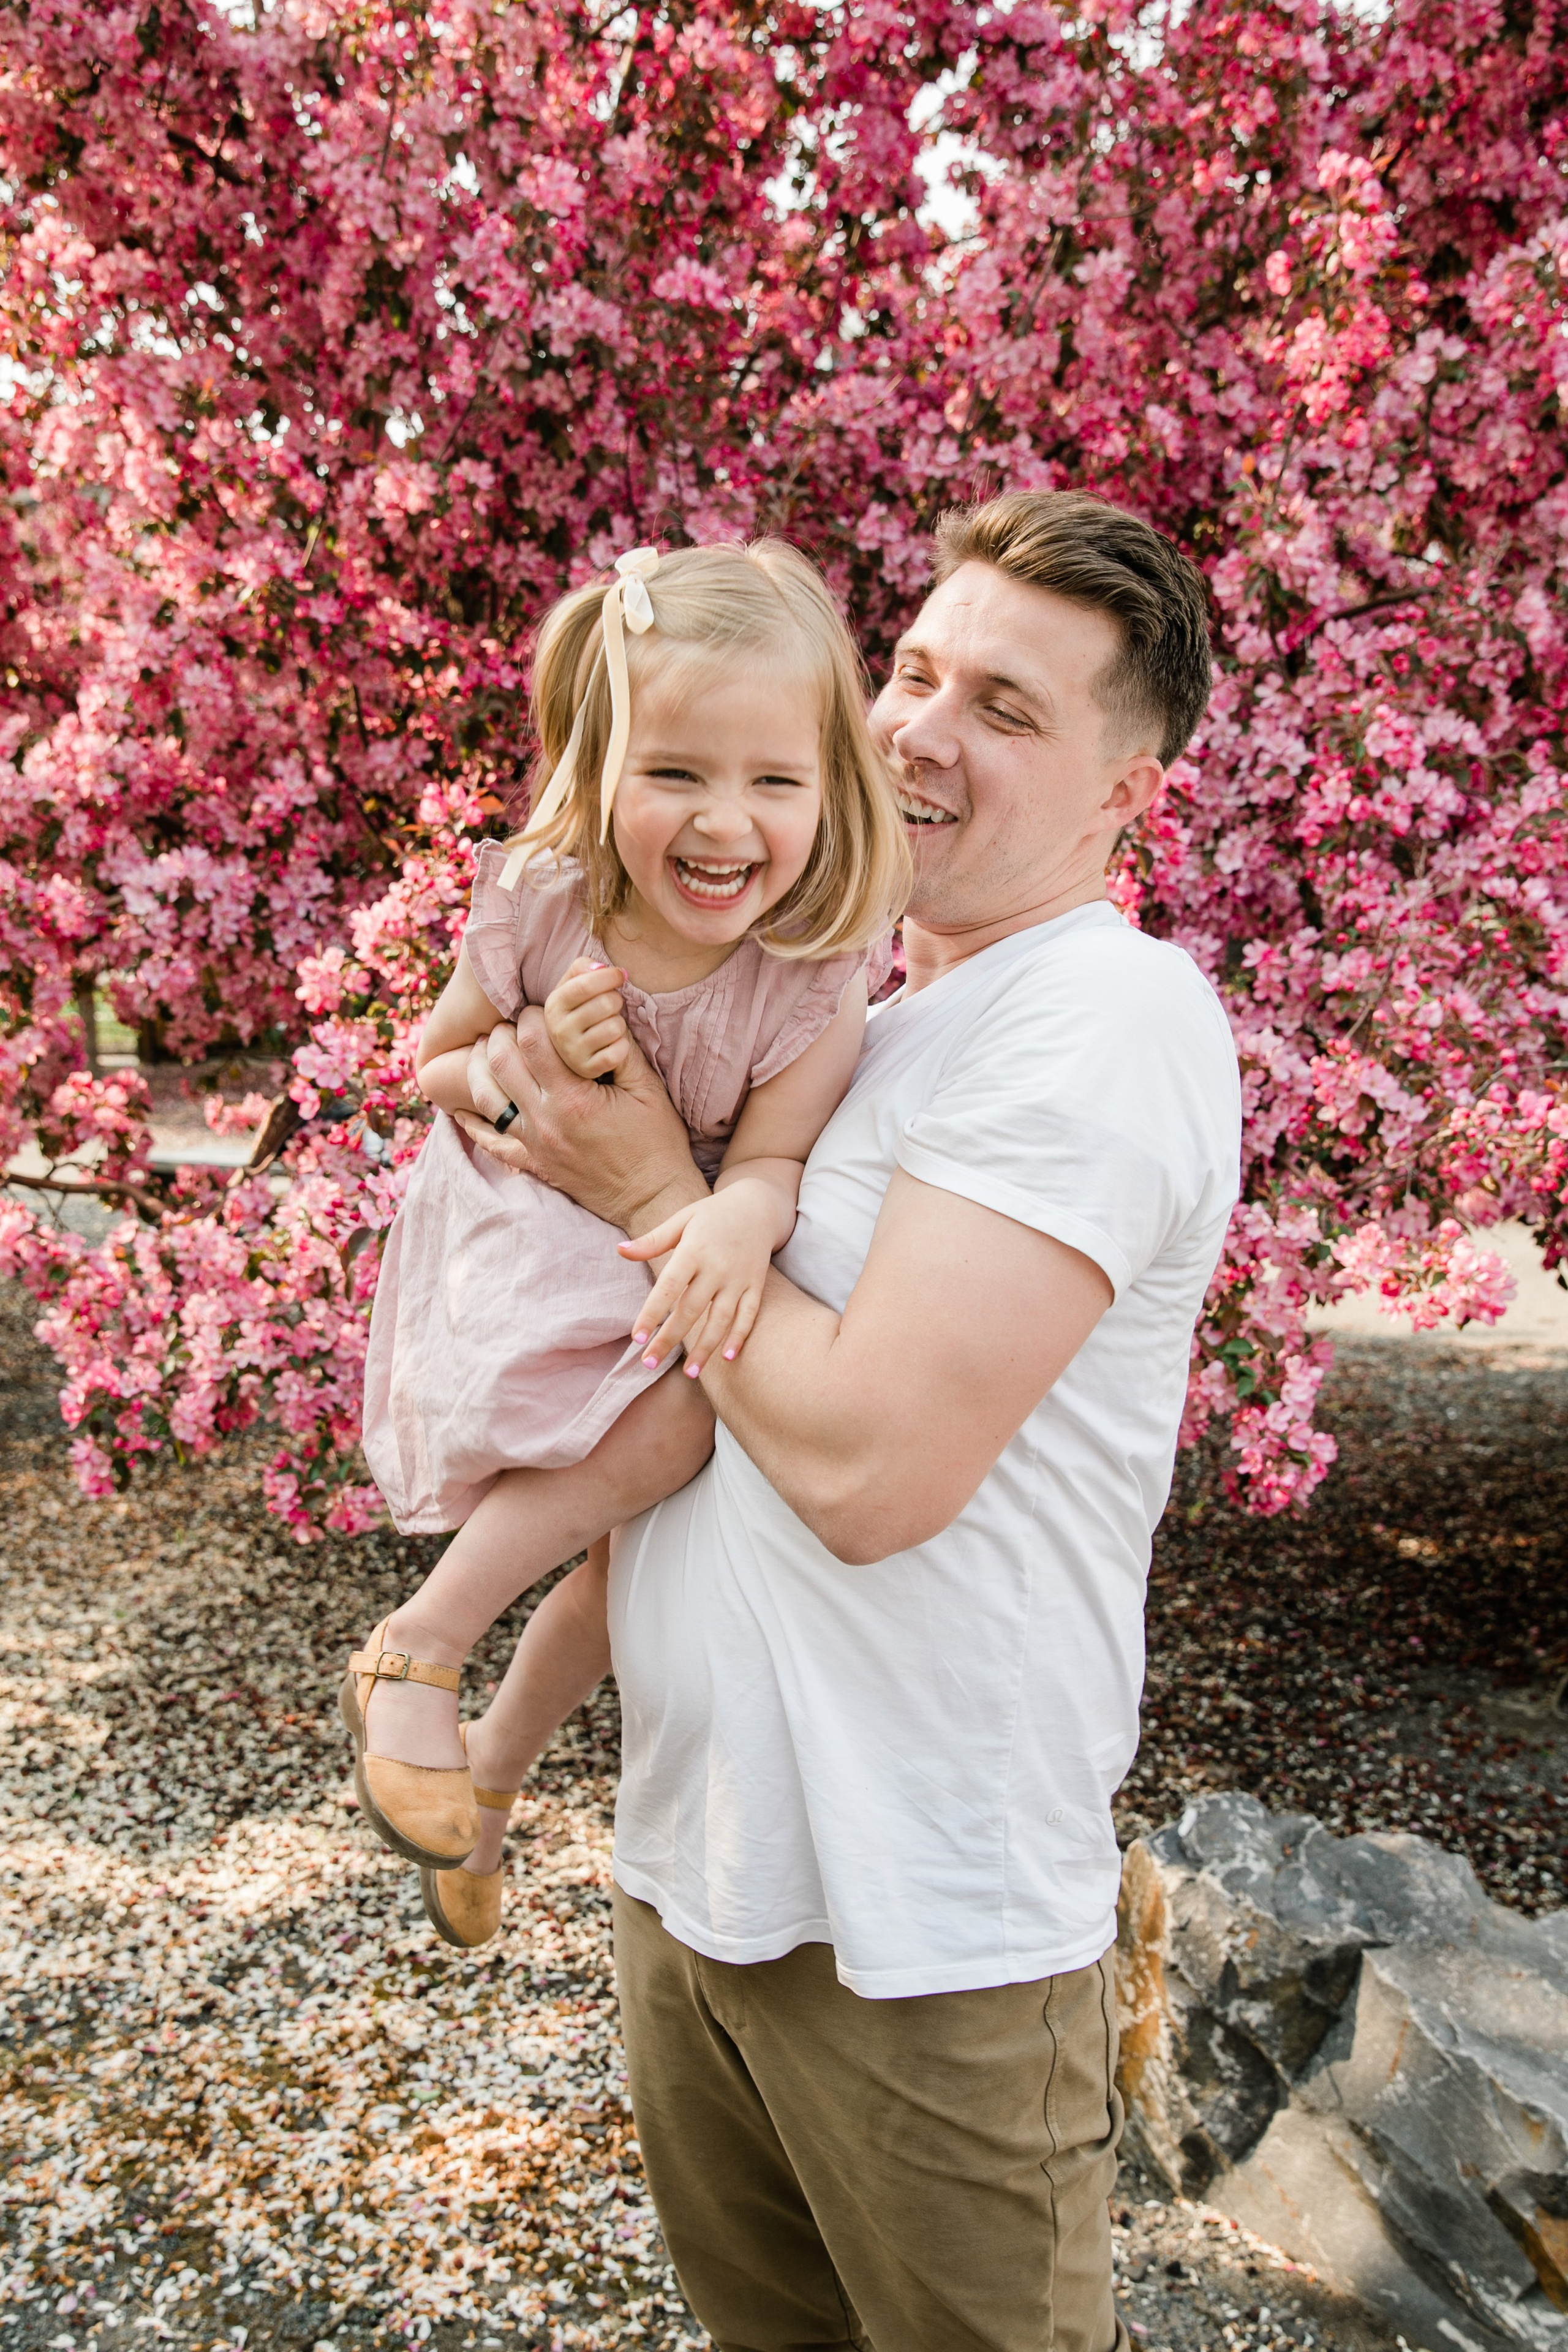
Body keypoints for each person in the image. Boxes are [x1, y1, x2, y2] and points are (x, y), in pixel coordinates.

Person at [457, 489, 1243, 2352]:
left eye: (1008, 708)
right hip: (700, 1883)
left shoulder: (1107, 1016)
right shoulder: (864, 1026)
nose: (916, 732)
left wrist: (656, 1183)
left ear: (1130, 794)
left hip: (926, 1942)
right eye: (911, 670)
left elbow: (876, 1473)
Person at [342, 540, 908, 1954]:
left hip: (664, 1245)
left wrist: (739, 1209)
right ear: (598, 771)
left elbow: (773, 1157)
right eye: (676, 774)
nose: (726, 823)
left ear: (830, 786)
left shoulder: (811, 977)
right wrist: (511, 1073)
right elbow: (434, 1064)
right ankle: (416, 1648)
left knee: (620, 1573)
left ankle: (484, 1787)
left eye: (773, 781)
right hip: (532, 1228)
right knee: (671, 1442)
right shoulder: (547, 900)